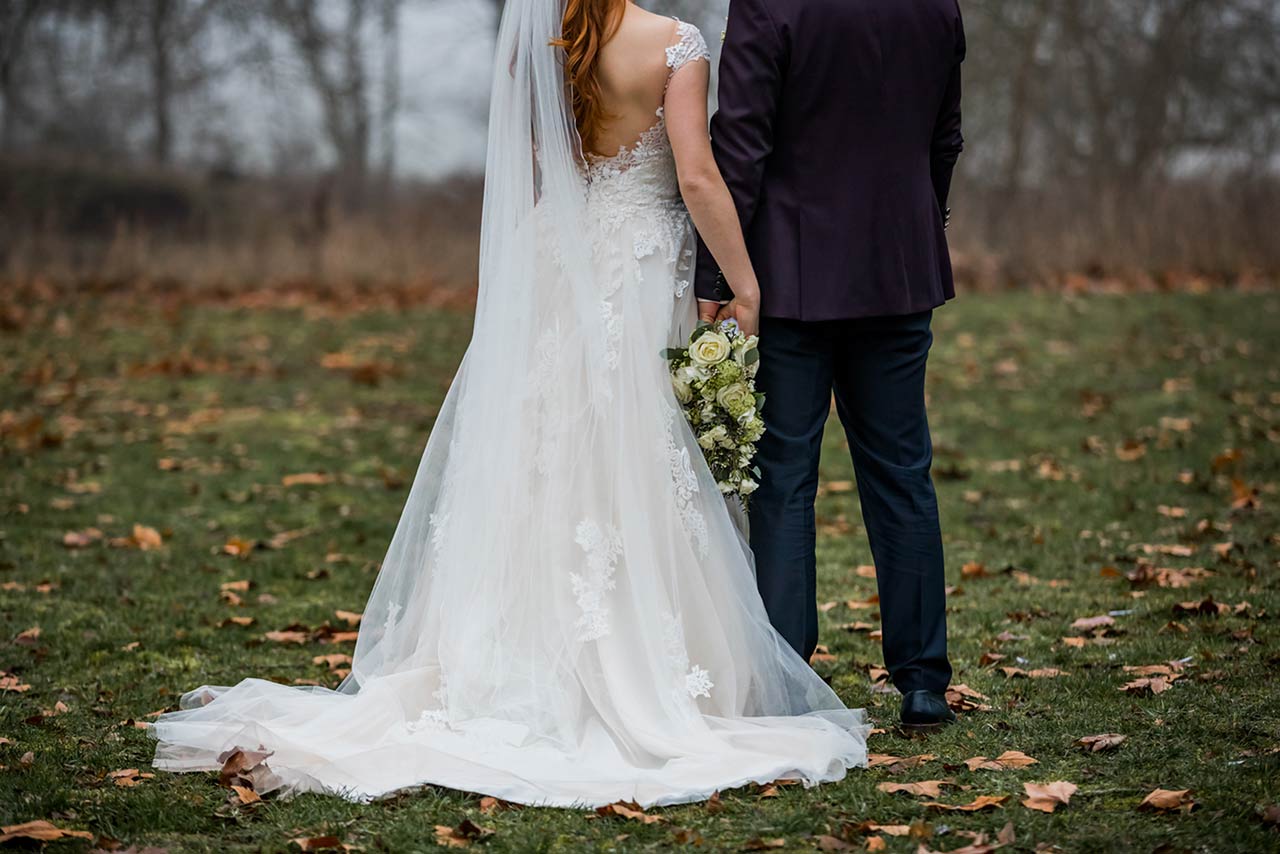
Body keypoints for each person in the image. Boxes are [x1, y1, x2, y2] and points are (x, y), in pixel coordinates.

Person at [145, 0, 868, 808]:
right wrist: (743, 281)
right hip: (639, 269)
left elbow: (541, 171)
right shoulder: (676, 44)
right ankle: (643, 667)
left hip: (562, 260)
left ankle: (519, 657)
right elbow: (698, 176)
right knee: (628, 452)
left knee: (549, 454)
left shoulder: (548, 47)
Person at [695, 0, 966, 731]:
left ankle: (786, 675)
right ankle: (922, 683)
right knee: (903, 472)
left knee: (784, 479)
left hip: (792, 276)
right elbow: (944, 138)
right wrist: (913, 225)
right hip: (899, 269)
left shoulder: (769, 4)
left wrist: (717, 280)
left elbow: (741, 145)